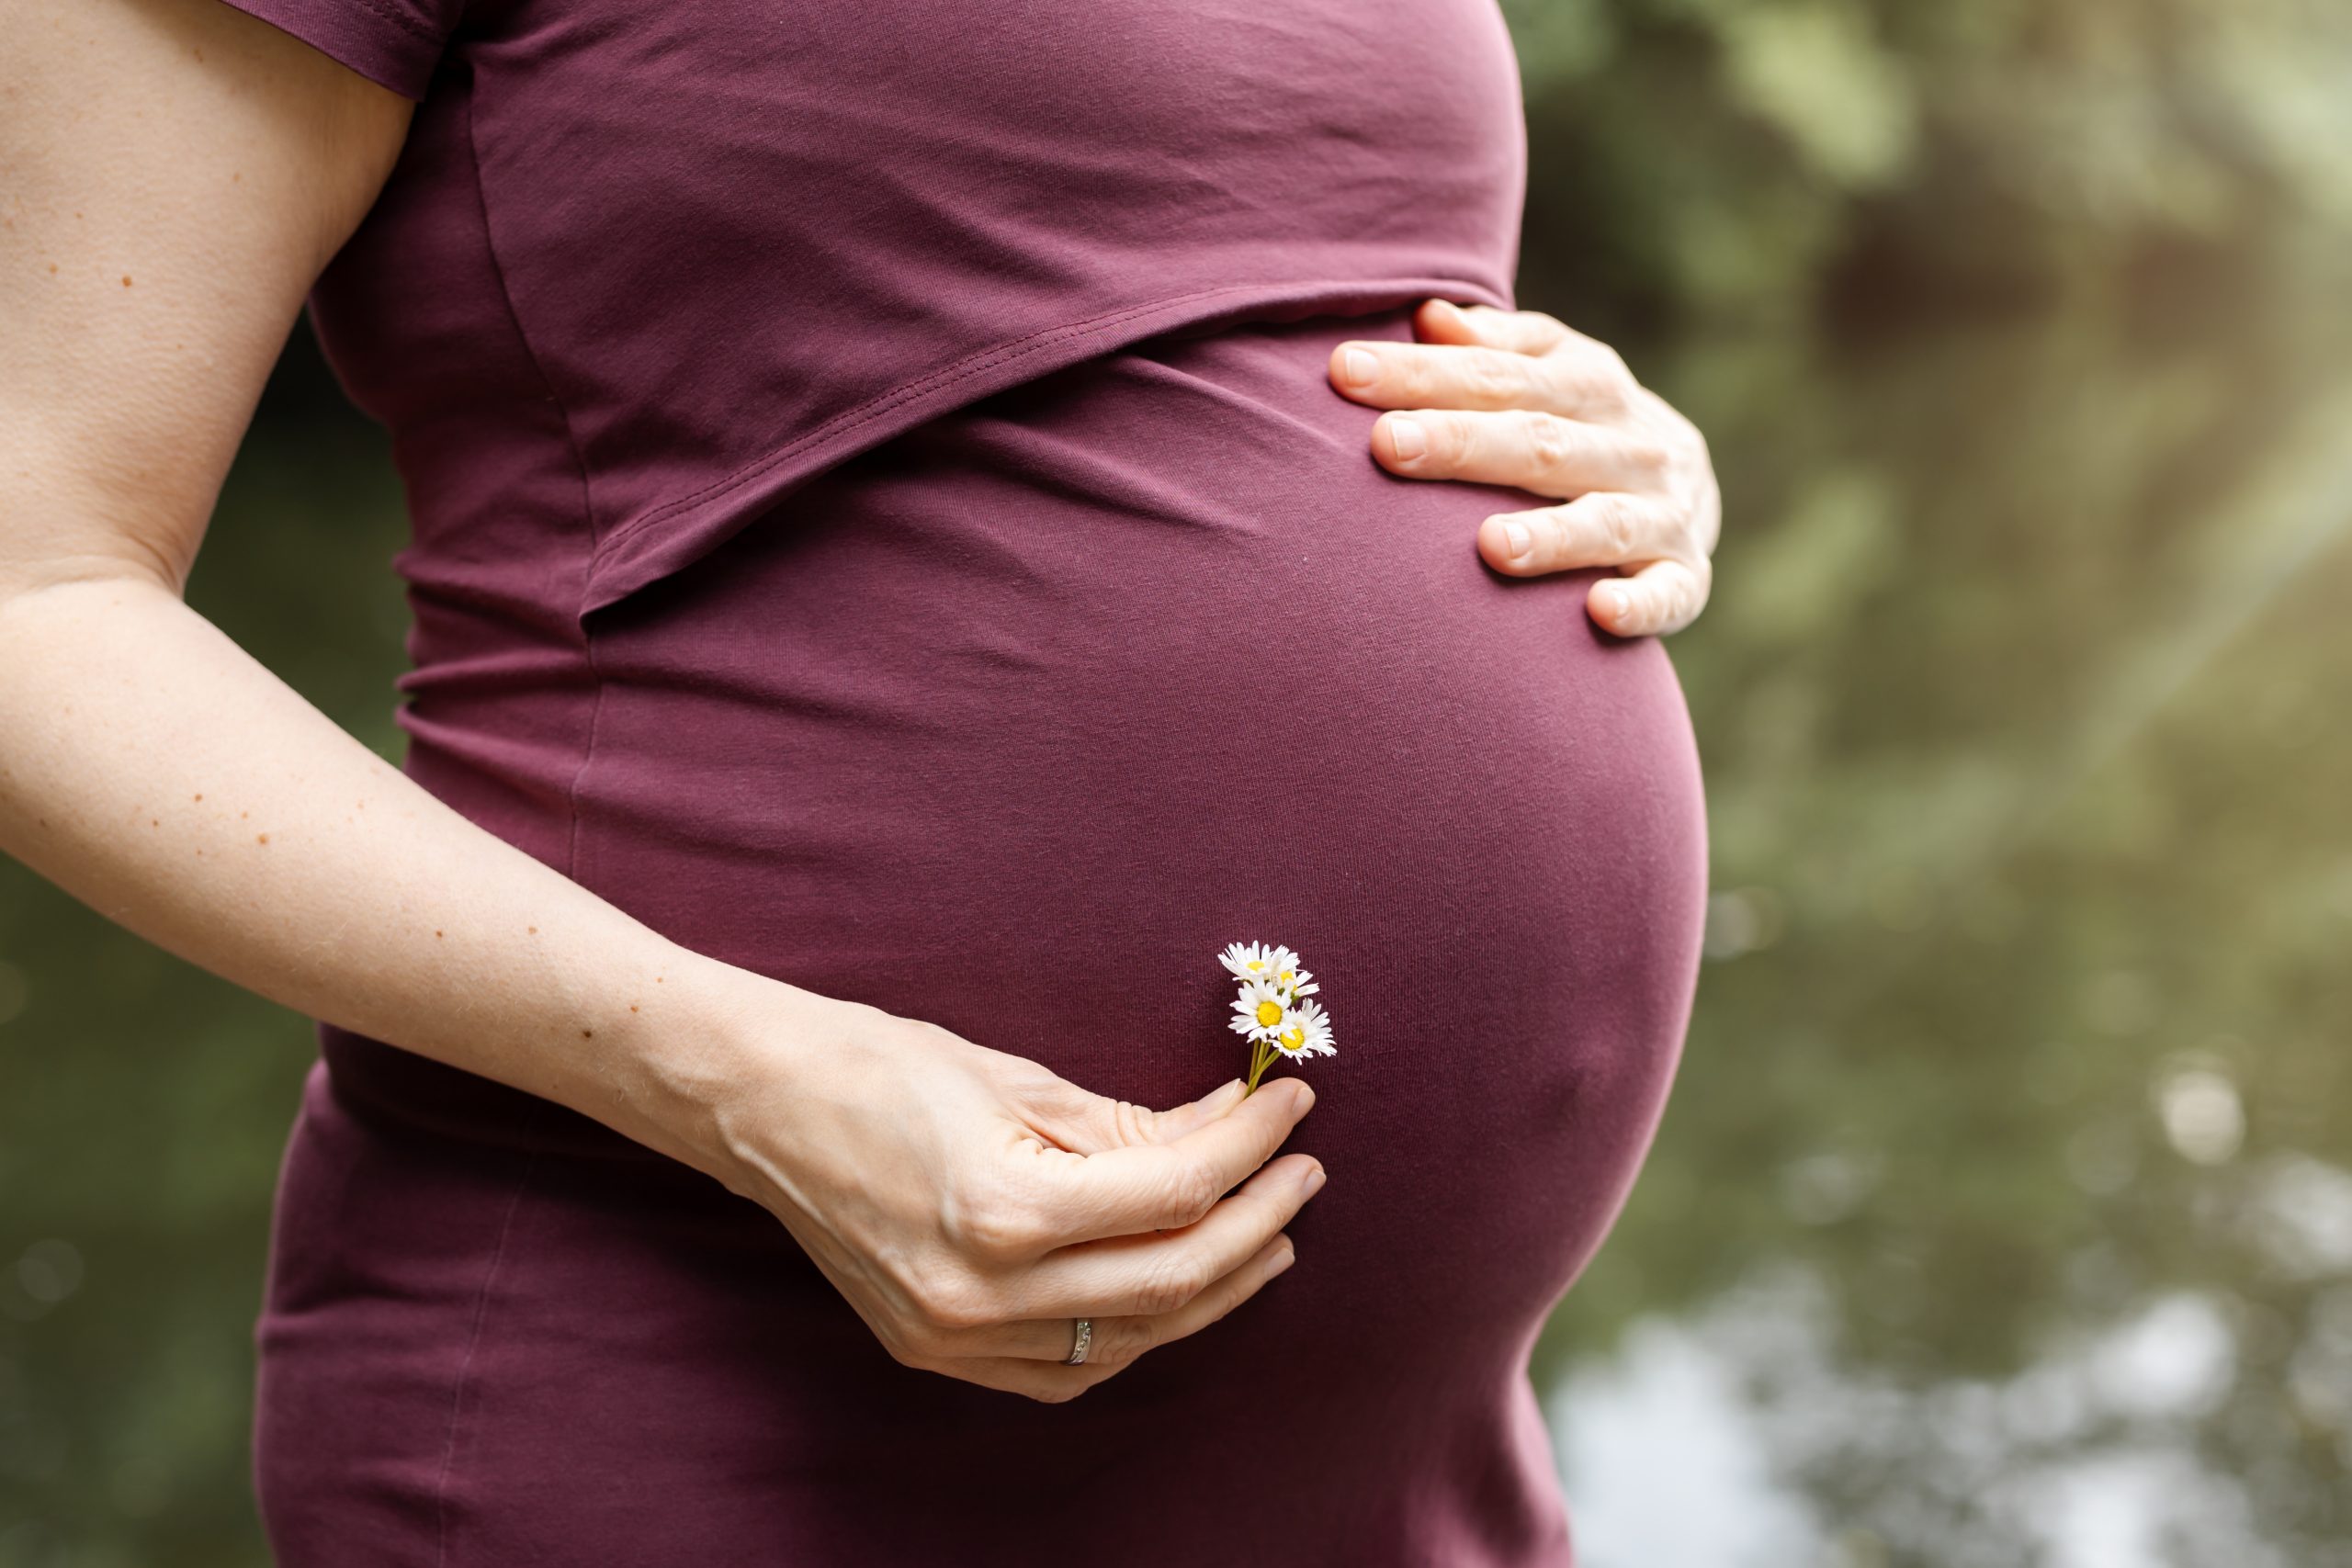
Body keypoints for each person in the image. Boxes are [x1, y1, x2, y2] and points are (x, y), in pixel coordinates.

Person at [0, 0, 1718, 1562]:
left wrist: (1628, 466)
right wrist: (739, 1078)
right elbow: (32, 601)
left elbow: (1258, 298)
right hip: (718, 1402)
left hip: (1386, 1470)